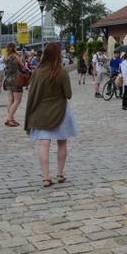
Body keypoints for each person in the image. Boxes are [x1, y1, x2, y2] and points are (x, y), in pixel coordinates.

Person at [24, 42, 77, 188]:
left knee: (44, 143)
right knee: (62, 142)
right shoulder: (62, 72)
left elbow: (33, 94)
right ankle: (60, 174)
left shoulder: (38, 72)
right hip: (60, 111)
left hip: (41, 112)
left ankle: (46, 177)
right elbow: (69, 95)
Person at [3, 43, 26, 127]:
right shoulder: (15, 57)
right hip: (16, 80)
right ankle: (9, 119)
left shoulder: (5, 57)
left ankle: (11, 118)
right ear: (14, 48)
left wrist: (21, 57)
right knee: (17, 101)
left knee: (10, 100)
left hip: (7, 79)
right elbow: (23, 66)